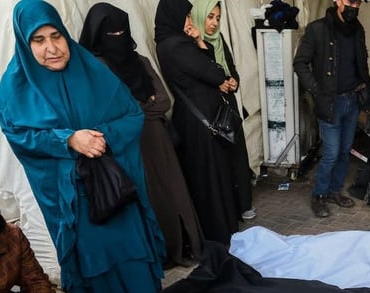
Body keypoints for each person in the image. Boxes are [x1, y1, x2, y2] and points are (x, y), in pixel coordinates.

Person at [0, 0, 165, 293]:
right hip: (76, 202)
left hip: (117, 191)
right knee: (95, 267)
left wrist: (100, 137)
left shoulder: (93, 70)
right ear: (23, 41)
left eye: (56, 36)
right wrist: (69, 140)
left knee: (133, 261)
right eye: (39, 40)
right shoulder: (16, 87)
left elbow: (132, 115)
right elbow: (19, 133)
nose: (52, 48)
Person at [79, 2, 204, 267]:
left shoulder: (140, 61)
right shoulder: (93, 70)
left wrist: (134, 110)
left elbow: (163, 102)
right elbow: (105, 112)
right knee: (147, 197)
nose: (118, 39)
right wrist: (140, 107)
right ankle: (161, 252)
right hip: (124, 145)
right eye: (110, 34)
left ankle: (184, 245)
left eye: (121, 32)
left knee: (172, 192)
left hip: (156, 138)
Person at [154, 0, 245, 244]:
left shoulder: (169, 44)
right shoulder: (175, 45)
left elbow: (207, 68)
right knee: (211, 177)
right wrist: (198, 42)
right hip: (201, 123)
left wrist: (198, 43)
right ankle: (221, 232)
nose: (190, 23)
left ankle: (221, 229)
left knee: (210, 176)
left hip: (197, 120)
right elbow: (214, 72)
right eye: (187, 17)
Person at [294, 0, 370, 218]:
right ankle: (319, 195)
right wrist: (316, 90)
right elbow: (300, 63)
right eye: (351, 1)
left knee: (344, 150)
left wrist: (366, 89)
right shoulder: (317, 29)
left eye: (358, 2)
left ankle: (334, 191)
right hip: (330, 101)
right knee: (331, 152)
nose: (355, 6)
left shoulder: (358, 29)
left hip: (352, 100)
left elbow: (362, 62)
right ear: (338, 1)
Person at [191, 0, 256, 221]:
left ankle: (245, 204)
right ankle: (228, 207)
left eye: (217, 18)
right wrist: (216, 82)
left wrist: (232, 81)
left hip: (228, 104)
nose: (213, 23)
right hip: (209, 107)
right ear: (199, 15)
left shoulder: (219, 41)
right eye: (210, 17)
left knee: (238, 152)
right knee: (221, 158)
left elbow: (232, 69)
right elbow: (199, 74)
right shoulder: (190, 45)